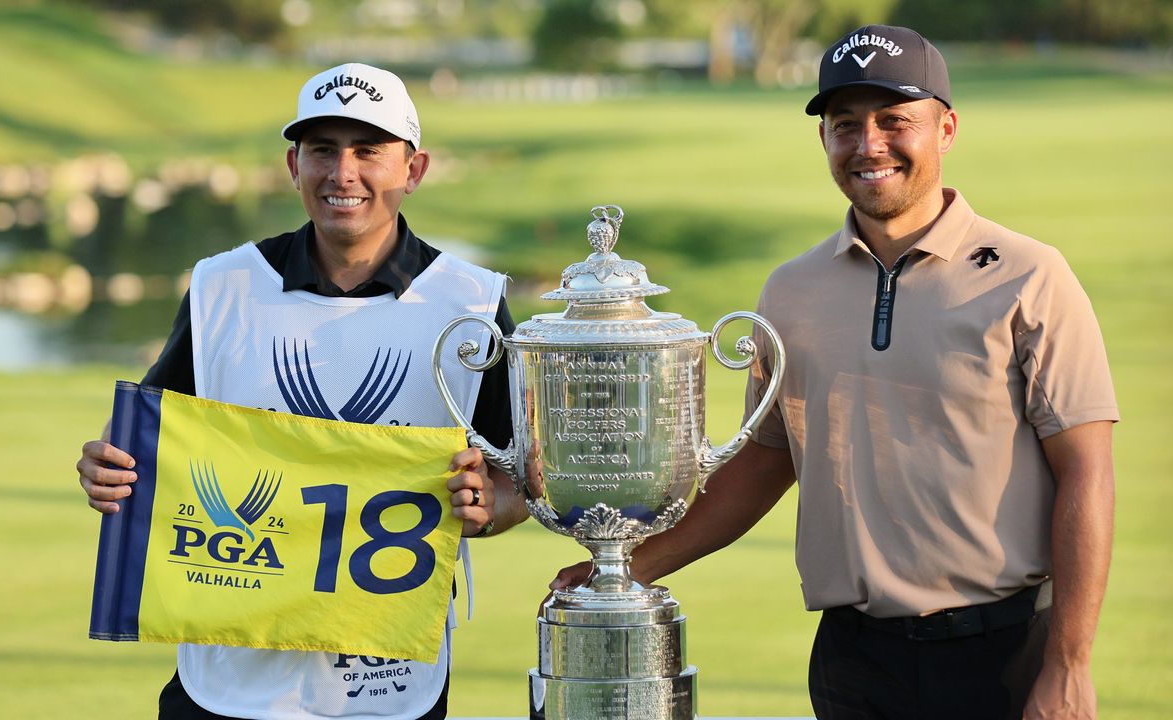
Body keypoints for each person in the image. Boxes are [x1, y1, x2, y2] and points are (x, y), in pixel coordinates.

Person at [552, 24, 1118, 720]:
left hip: (1002, 653)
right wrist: (622, 571)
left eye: (894, 121)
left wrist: (1068, 664)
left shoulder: (1030, 276)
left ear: (946, 129)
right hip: (854, 660)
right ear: (824, 139)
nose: (868, 145)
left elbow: (1086, 471)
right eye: (845, 125)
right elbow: (765, 464)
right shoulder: (792, 291)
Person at [77, 62, 527, 720]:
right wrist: (109, 470)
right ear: (294, 165)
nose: (342, 173)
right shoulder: (223, 286)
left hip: (387, 679)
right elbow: (151, 449)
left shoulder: (473, 304)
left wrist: (491, 503)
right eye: (323, 149)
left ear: (414, 169)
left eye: (368, 150)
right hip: (229, 673)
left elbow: (518, 482)